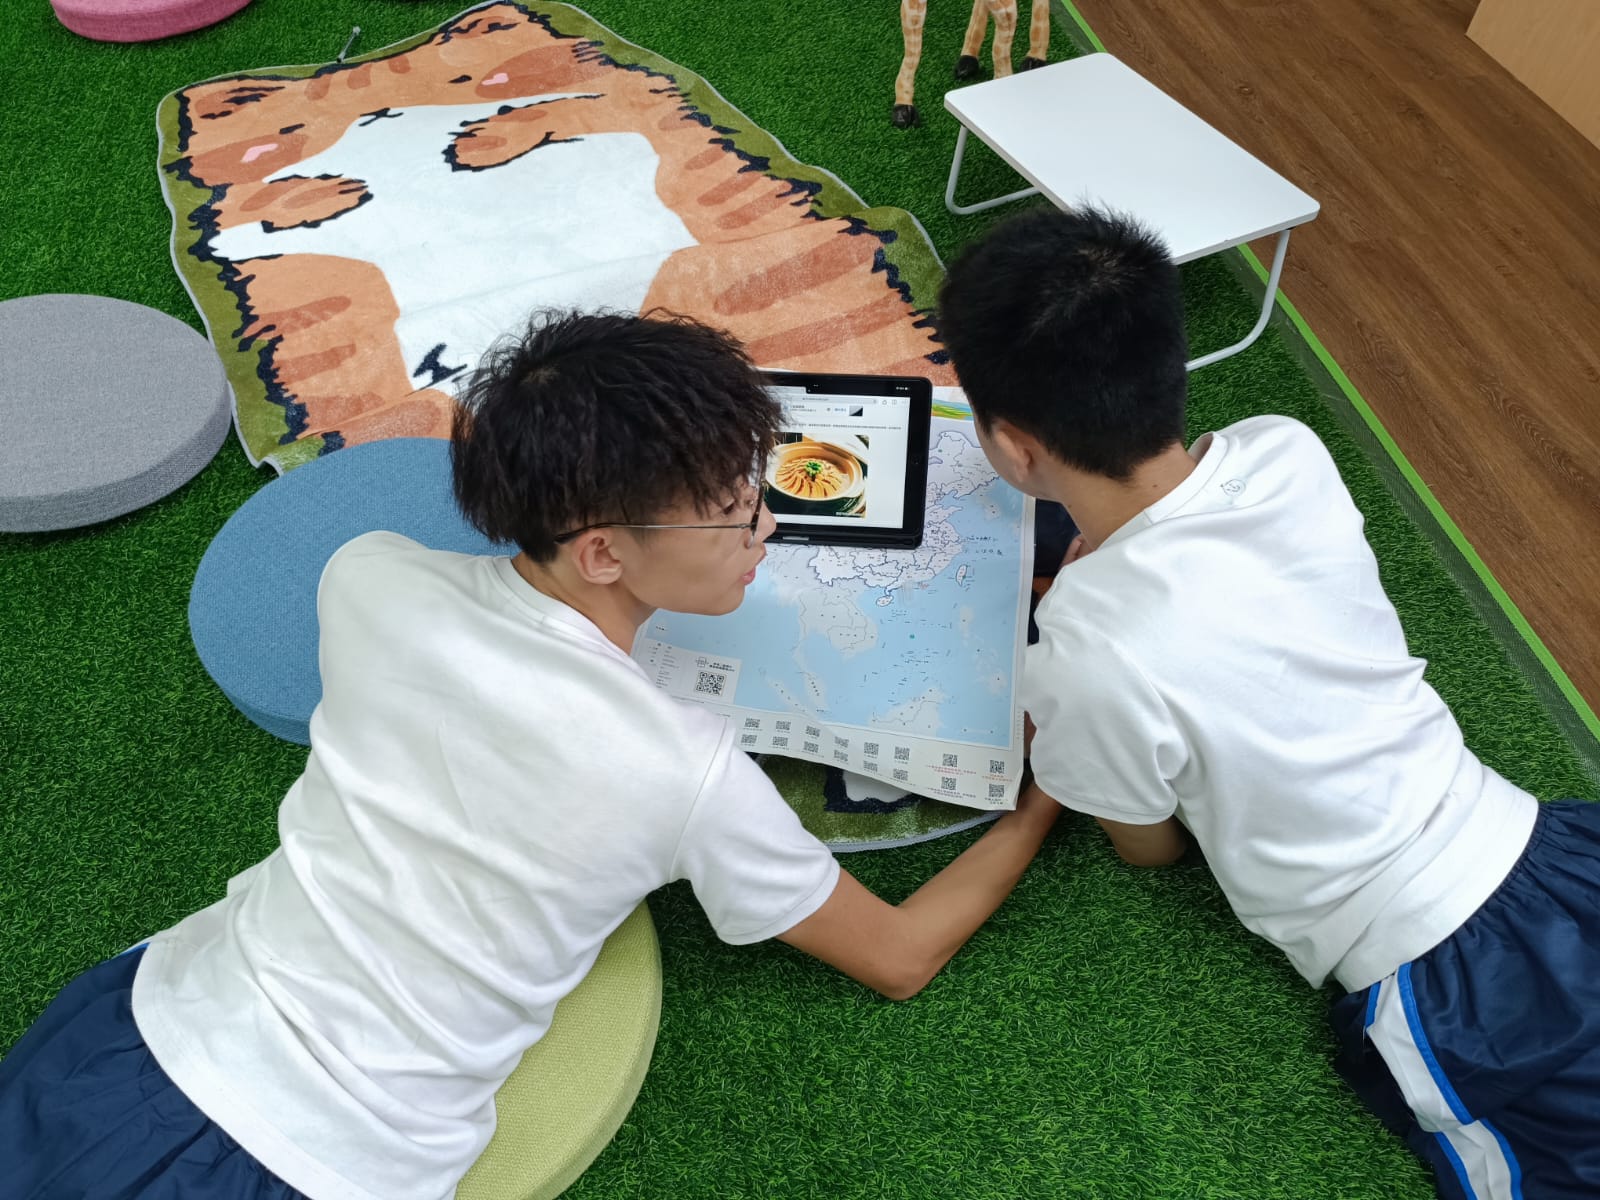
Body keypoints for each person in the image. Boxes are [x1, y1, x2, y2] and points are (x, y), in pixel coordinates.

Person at [0, 310, 1059, 1200]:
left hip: (133, 1024)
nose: (767, 530)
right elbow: (898, 956)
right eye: (736, 513)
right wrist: (1040, 794)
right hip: (310, 1160)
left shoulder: (367, 576)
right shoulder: (683, 773)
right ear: (600, 551)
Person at [937, 206, 1600, 1200]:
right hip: (1552, 852)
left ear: (1014, 446)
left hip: (1445, 978)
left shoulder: (1083, 655)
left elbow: (1150, 848)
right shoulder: (1285, 448)